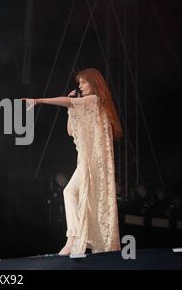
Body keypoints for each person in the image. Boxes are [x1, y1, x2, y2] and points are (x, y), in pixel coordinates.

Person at [22, 68, 123, 256]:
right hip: (87, 161)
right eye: (80, 83)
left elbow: (68, 101)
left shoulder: (94, 101)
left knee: (69, 192)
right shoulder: (88, 104)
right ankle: (74, 239)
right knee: (71, 193)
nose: (81, 86)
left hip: (91, 162)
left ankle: (73, 240)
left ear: (94, 83)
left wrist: (38, 101)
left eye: (84, 82)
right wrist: (71, 109)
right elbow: (70, 131)